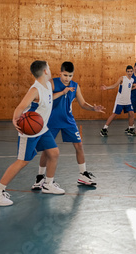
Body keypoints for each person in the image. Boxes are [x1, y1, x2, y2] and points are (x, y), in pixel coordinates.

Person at [0, 61, 64, 206]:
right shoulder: (34, 90)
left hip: (42, 129)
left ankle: (48, 184)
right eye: (49, 67)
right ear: (45, 71)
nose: (51, 69)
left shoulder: (48, 85)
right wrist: (15, 118)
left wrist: (62, 93)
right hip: (30, 131)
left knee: (54, 153)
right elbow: (21, 106)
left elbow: (49, 99)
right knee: (22, 161)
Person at [31, 62, 105, 190]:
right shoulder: (52, 83)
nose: (67, 78)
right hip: (52, 120)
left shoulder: (75, 86)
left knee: (79, 145)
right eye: (65, 75)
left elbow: (82, 103)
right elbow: (47, 98)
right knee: (47, 150)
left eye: (70, 75)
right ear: (60, 73)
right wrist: (63, 92)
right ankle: (40, 177)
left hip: (68, 121)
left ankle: (83, 175)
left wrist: (93, 108)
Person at [100, 65, 136, 136]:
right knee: (114, 114)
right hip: (120, 101)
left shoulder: (132, 80)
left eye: (131, 71)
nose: (130, 73)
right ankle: (104, 129)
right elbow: (114, 85)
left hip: (128, 101)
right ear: (126, 72)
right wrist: (106, 88)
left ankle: (130, 129)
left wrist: (134, 87)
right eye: (128, 71)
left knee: (132, 114)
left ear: (133, 72)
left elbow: (128, 89)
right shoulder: (122, 78)